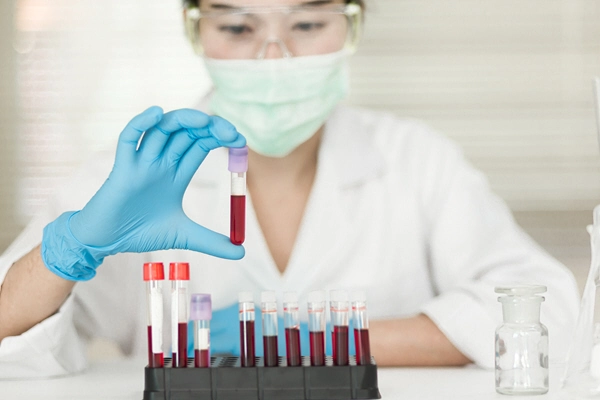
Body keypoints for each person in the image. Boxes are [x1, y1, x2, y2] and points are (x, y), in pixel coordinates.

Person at [0, 0, 580, 378]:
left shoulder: (415, 160)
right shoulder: (130, 177)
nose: (272, 57)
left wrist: (309, 339)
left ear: (353, 26)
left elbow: (546, 309)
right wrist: (72, 246)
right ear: (194, 28)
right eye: (236, 27)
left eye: (306, 24)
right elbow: (7, 341)